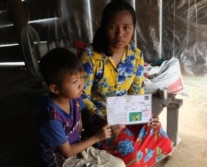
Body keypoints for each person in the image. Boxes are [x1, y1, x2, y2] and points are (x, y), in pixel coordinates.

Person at [80, 0, 173, 166]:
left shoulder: (136, 57)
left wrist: (146, 115)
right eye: (112, 27)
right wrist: (104, 118)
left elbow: (136, 93)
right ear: (104, 27)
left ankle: (135, 156)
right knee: (130, 150)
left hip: (127, 113)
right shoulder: (90, 56)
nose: (120, 34)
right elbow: (82, 97)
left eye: (126, 27)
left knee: (161, 138)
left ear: (133, 28)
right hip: (100, 119)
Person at [38, 47, 126, 167]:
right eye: (75, 81)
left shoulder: (75, 98)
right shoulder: (52, 118)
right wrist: (97, 137)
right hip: (61, 160)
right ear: (55, 89)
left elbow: (79, 125)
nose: (81, 84)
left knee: (118, 164)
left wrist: (109, 125)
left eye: (82, 77)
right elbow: (67, 152)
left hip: (77, 146)